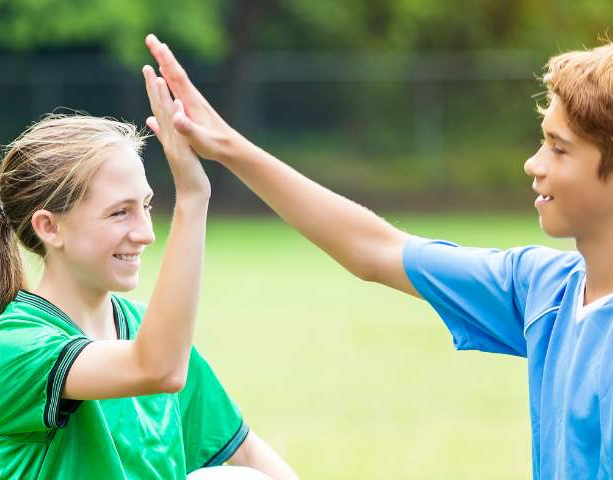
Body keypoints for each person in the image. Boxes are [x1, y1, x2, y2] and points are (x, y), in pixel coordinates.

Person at [144, 33, 613, 478]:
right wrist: (226, 145)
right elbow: (375, 248)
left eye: (558, 148)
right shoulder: (543, 287)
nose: (534, 163)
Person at [0, 59, 297, 480]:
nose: (146, 233)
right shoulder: (13, 346)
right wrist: (192, 197)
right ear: (49, 227)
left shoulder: (149, 328)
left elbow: (250, 458)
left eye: (146, 206)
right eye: (119, 213)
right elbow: (157, 368)